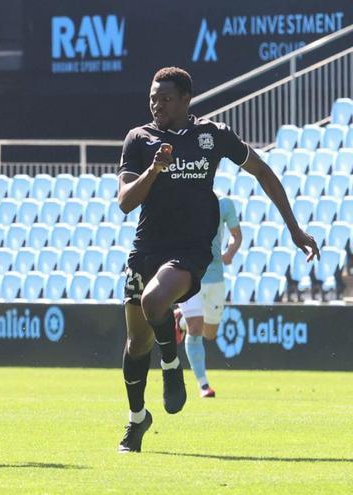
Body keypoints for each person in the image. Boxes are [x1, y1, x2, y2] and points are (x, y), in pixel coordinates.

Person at [115, 67, 319, 453]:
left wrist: (293, 228)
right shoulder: (138, 140)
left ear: (186, 100)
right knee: (136, 343)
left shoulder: (213, 136)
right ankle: (137, 418)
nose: (156, 104)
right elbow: (126, 202)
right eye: (153, 97)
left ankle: (172, 364)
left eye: (166, 98)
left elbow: (263, 171)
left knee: (155, 302)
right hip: (145, 248)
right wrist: (154, 169)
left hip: (189, 250)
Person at [174, 194, 242, 398]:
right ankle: (203, 385)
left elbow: (236, 235)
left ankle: (181, 321)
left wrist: (230, 252)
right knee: (196, 329)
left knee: (209, 333)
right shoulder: (184, 202)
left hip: (215, 276)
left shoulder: (224, 204)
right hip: (191, 274)